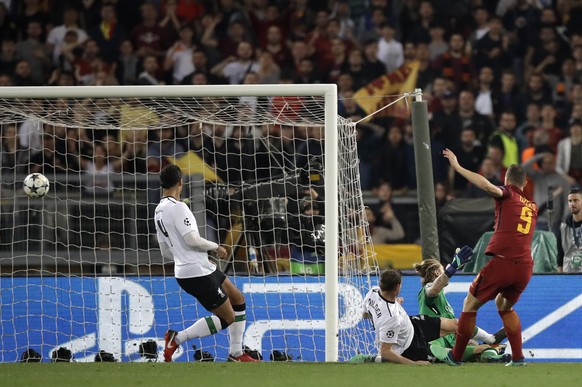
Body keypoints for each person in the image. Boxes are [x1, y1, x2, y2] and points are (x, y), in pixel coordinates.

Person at [434, 148, 538, 366]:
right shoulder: (533, 206)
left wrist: (457, 166)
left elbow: (487, 186)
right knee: (504, 306)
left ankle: (456, 356)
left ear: (507, 180)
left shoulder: (507, 193)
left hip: (503, 262)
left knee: (469, 304)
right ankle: (518, 358)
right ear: (525, 182)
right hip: (525, 267)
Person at [155, 165, 258, 363]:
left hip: (194, 267)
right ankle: (176, 339)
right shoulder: (178, 207)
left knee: (238, 298)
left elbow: (165, 251)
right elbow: (192, 240)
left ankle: (236, 354)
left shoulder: (159, 210)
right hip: (196, 271)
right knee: (228, 317)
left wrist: (191, 258)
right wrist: (215, 247)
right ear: (180, 183)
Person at [413, 247, 509, 363]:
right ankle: (489, 340)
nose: (444, 272)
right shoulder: (427, 289)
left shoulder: (441, 298)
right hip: (437, 340)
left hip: (450, 339)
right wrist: (452, 267)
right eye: (442, 270)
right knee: (464, 331)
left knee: (476, 345)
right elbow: (432, 290)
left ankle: (489, 354)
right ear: (437, 272)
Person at [350, 269, 459, 365]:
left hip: (412, 324)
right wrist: (413, 363)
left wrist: (393, 304)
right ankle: (373, 359)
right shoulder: (392, 317)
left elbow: (365, 314)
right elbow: (385, 351)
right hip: (409, 346)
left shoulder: (373, 292)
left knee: (455, 324)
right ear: (397, 287)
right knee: (450, 355)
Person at [555, 188, 582, 273]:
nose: (572, 203)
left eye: (576, 200)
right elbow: (560, 256)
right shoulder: (563, 228)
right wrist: (561, 280)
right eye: (570, 201)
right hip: (568, 277)